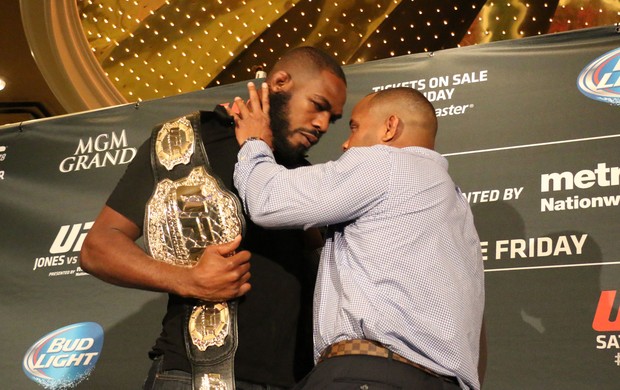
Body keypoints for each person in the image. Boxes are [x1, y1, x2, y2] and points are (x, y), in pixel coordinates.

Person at [80, 46, 347, 390]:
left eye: (333, 118)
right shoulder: (184, 142)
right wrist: (187, 279)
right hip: (195, 376)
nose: (322, 124)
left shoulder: (304, 176)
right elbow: (98, 246)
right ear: (280, 82)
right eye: (318, 105)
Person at [232, 85, 486, 389]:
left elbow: (268, 200)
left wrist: (254, 142)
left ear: (389, 127)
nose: (345, 143)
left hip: (370, 376)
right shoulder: (455, 207)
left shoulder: (387, 164)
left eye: (355, 127)